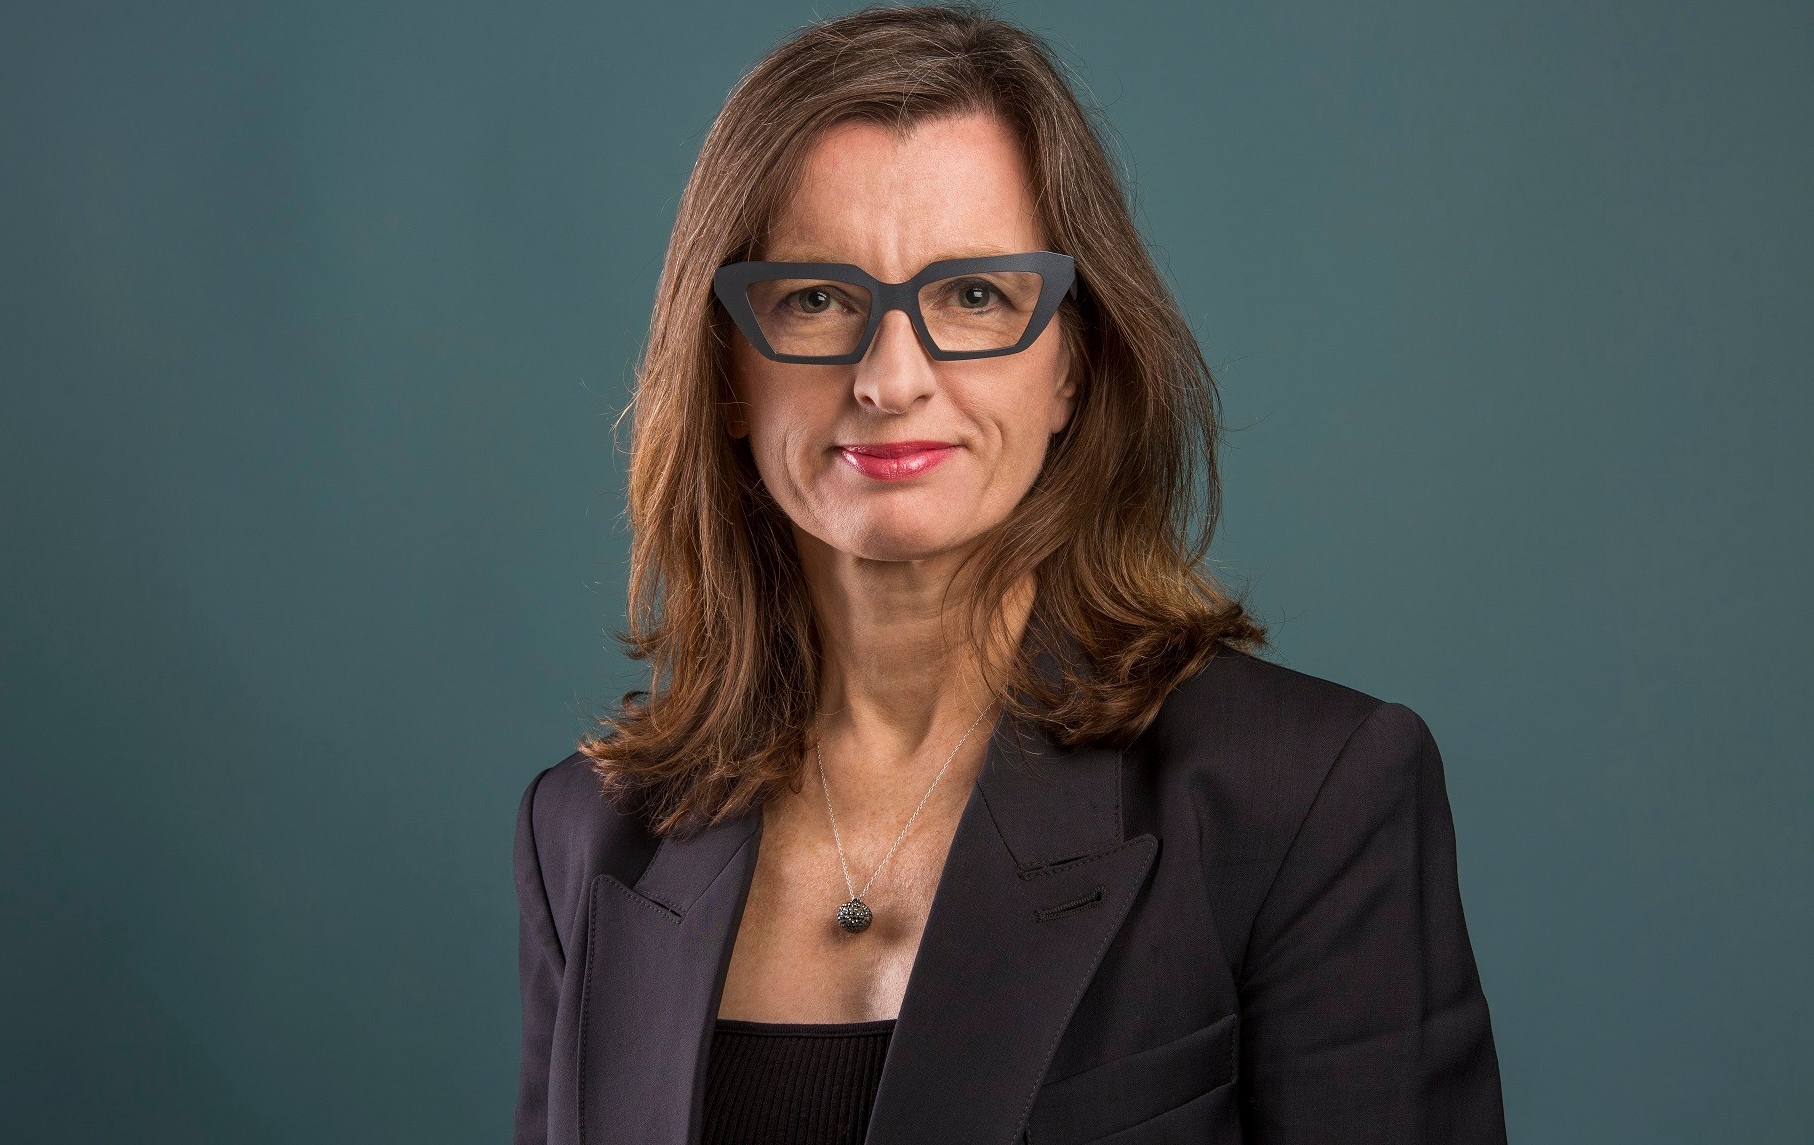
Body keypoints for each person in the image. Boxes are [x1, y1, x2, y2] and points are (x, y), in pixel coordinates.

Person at [513, 6, 1506, 1143]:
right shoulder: (587, 833)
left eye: (972, 296)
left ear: (1072, 368)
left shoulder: (1302, 800)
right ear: (728, 368)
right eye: (817, 298)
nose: (890, 378)